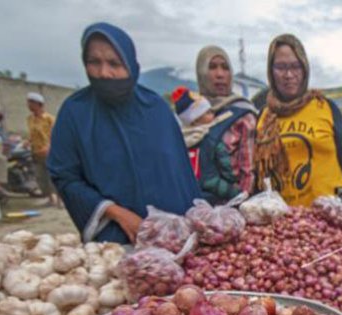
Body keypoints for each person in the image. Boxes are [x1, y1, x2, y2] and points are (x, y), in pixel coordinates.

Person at [48, 22, 202, 244]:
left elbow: (181, 173)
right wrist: (115, 212)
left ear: (130, 64)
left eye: (114, 63)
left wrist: (193, 223)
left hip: (174, 235)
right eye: (94, 62)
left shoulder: (155, 108)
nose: (104, 73)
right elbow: (65, 177)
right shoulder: (75, 114)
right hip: (118, 238)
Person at [254, 34, 342, 206]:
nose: (289, 74)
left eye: (295, 66)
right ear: (270, 71)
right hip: (283, 225)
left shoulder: (325, 107)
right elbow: (258, 176)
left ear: (305, 68)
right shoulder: (263, 116)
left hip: (331, 221)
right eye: (281, 67)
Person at [195, 45, 257, 195]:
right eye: (212, 67)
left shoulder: (243, 115)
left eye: (225, 68)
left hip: (230, 209)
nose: (220, 74)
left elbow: (249, 176)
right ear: (201, 73)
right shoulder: (191, 113)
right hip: (192, 207)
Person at [172, 86, 244, 205]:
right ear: (195, 119)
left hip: (189, 187)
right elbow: (225, 162)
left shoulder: (181, 138)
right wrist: (232, 179)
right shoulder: (211, 136)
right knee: (235, 193)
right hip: (211, 181)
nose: (213, 114)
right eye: (208, 113)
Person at [26, 92, 59, 207]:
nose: (29, 105)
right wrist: (27, 142)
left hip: (49, 151)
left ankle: (59, 199)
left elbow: (56, 134)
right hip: (36, 152)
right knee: (41, 177)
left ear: (38, 104)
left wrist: (49, 146)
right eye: (28, 102)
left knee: (52, 176)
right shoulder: (30, 119)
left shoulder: (49, 119)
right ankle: (50, 198)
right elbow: (32, 134)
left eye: (31, 103)